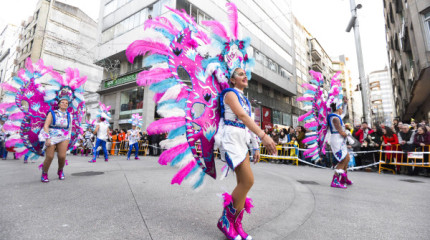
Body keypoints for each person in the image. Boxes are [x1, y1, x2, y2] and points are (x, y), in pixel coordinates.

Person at [217, 67, 277, 239]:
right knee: (248, 181)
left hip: (242, 140)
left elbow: (247, 122)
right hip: (231, 139)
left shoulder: (245, 99)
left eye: (245, 74)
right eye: (240, 74)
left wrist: (255, 146)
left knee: (243, 183)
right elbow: (242, 117)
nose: (245, 76)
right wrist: (263, 136)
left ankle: (236, 224)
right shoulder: (229, 94)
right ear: (232, 80)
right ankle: (225, 220)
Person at [39, 99, 72, 182]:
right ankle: (44, 173)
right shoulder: (52, 113)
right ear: (59, 104)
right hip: (51, 136)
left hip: (64, 137)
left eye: (66, 103)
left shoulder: (69, 115)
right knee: (50, 156)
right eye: (62, 102)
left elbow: (70, 128)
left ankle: (60, 171)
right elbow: (46, 126)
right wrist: (47, 138)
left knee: (62, 156)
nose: (64, 104)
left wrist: (68, 137)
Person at [327, 101, 353, 188]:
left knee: (347, 157)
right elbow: (341, 132)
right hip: (337, 140)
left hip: (340, 140)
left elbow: (344, 113)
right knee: (343, 159)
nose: (342, 110)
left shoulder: (337, 116)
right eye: (341, 108)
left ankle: (343, 179)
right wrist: (348, 134)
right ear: (338, 108)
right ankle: (335, 180)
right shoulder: (335, 118)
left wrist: (345, 104)